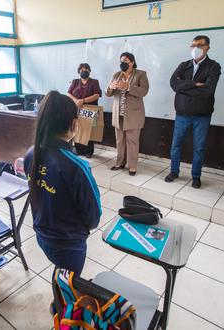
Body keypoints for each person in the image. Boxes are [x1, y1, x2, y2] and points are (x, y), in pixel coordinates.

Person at [24, 91, 102, 276]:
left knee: (62, 275)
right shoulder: (77, 166)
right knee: (69, 285)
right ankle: (61, 304)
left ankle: (59, 299)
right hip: (68, 245)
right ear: (73, 123)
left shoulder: (31, 154)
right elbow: (93, 217)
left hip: (42, 236)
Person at [165, 35, 222, 188]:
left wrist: (183, 87)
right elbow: (173, 84)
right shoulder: (184, 65)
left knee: (199, 147)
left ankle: (196, 176)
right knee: (175, 145)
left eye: (200, 45)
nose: (196, 48)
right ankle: (174, 171)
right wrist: (195, 84)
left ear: (207, 47)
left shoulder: (213, 67)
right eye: (193, 45)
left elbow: (207, 92)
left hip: (201, 116)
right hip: (181, 114)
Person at [105, 52, 149, 176]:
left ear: (132, 62)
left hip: (134, 115)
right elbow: (108, 93)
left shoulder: (140, 74)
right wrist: (111, 87)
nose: (122, 64)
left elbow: (144, 91)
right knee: (119, 140)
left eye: (125, 61)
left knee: (132, 141)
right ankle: (119, 163)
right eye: (121, 61)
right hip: (118, 114)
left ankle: (132, 166)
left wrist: (129, 87)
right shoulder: (116, 75)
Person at [67, 63, 102, 158]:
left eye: (86, 70)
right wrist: (76, 101)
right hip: (77, 109)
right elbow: (68, 93)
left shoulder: (94, 82)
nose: (84, 72)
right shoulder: (75, 81)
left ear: (89, 71)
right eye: (82, 70)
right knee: (78, 129)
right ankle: (78, 150)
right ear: (79, 72)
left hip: (91, 110)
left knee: (89, 130)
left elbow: (97, 95)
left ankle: (88, 151)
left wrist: (83, 101)